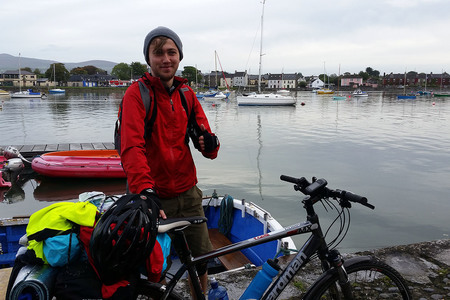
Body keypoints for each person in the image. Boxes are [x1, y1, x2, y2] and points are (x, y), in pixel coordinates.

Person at [118, 26, 220, 296]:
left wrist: (210, 144)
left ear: (179, 56)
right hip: (151, 198)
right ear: (148, 59)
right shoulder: (136, 95)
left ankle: (201, 296)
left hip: (188, 193)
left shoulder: (187, 95)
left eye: (171, 52)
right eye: (158, 52)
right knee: (152, 268)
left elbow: (207, 144)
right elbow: (131, 147)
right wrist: (145, 190)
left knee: (201, 261)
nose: (166, 58)